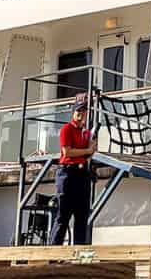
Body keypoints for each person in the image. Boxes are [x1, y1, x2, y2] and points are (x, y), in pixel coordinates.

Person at [49, 95, 97, 246]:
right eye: (78, 111)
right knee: (63, 215)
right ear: (73, 113)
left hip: (81, 173)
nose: (81, 114)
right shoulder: (66, 129)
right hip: (67, 173)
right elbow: (67, 152)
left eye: (83, 111)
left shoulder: (86, 132)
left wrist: (91, 148)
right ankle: (53, 253)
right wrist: (87, 150)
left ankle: (79, 253)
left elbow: (89, 152)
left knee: (81, 215)